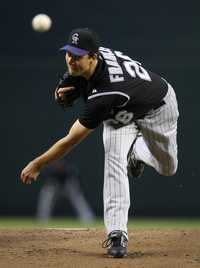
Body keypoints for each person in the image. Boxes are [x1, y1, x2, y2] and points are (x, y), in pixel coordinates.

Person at [20, 28, 179, 258]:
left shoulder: (105, 94)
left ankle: (137, 153)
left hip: (157, 109)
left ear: (93, 56)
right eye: (69, 53)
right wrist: (62, 87)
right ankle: (116, 233)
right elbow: (77, 77)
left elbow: (70, 140)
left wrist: (38, 164)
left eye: (77, 55)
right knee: (113, 159)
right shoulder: (93, 59)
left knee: (168, 168)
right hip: (120, 114)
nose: (71, 59)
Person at [36, 158, 95, 223]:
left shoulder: (68, 167)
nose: (58, 164)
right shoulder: (50, 167)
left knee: (78, 198)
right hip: (53, 185)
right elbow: (46, 178)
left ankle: (87, 218)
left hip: (67, 185)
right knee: (46, 196)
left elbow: (75, 177)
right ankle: (42, 219)